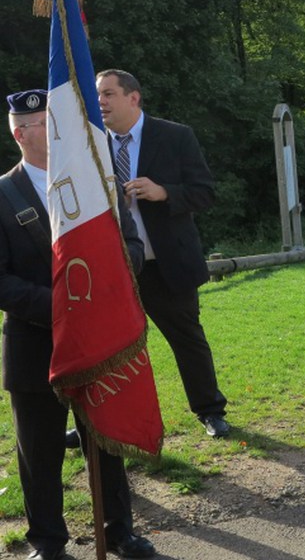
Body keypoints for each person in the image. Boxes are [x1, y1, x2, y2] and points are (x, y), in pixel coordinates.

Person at [1, 90, 156, 559]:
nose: (55, 131)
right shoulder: (3, 195)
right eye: (43, 123)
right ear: (20, 132)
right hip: (35, 344)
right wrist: (61, 305)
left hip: (99, 339)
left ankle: (120, 532)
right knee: (40, 452)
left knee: (105, 441)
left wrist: (104, 286)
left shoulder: (97, 183)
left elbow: (131, 246)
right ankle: (48, 541)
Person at [94, 69, 229, 439]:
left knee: (188, 340)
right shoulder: (89, 145)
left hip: (167, 264)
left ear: (133, 97)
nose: (101, 102)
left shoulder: (175, 136)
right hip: (114, 268)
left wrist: (164, 192)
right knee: (107, 348)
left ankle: (210, 411)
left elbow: (205, 193)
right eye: (98, 95)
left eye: (108, 94)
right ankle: (100, 419)